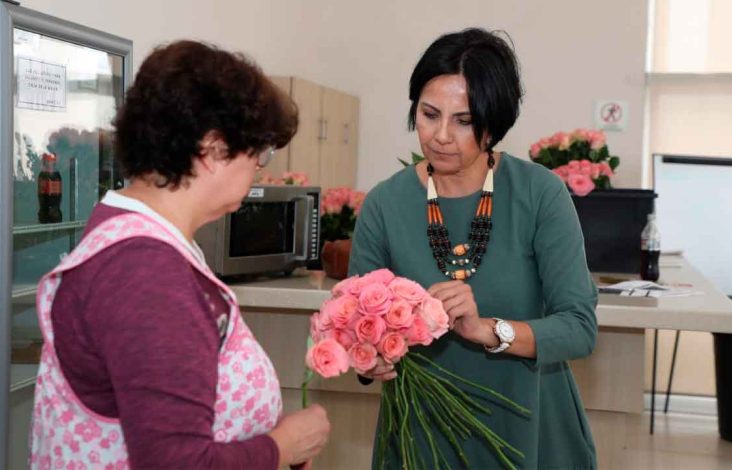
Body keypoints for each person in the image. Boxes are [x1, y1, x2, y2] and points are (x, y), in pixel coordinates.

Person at [29, 40, 330, 469]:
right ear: (212, 150)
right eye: (259, 153)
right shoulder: (145, 272)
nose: (259, 169)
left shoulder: (138, 232)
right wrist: (282, 446)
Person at [349, 28, 598, 469]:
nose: (441, 135)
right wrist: (370, 360)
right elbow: (359, 328)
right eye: (429, 114)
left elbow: (579, 327)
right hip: (422, 430)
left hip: (527, 421)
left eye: (464, 121)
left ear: (494, 124)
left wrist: (487, 330)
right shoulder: (385, 204)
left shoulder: (539, 193)